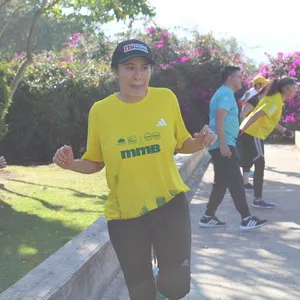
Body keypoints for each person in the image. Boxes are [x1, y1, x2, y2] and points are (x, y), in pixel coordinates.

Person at [53, 39, 217, 300]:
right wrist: (71, 164)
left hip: (169, 205)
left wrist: (201, 141)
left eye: (144, 67)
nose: (138, 75)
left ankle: (162, 277)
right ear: (115, 71)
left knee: (176, 286)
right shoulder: (101, 111)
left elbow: (182, 142)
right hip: (126, 215)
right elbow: (96, 161)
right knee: (141, 294)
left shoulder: (165, 98)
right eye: (130, 67)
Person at [199, 66, 268, 231]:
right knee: (236, 182)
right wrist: (224, 144)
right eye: (238, 77)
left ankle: (208, 217)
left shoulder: (223, 93)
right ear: (230, 78)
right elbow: (219, 118)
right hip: (224, 144)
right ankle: (246, 218)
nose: (241, 80)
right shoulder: (225, 94)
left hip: (223, 143)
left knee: (221, 183)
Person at [239, 77, 297, 209]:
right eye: (293, 87)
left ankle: (252, 196)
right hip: (254, 133)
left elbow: (268, 119)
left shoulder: (276, 99)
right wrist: (242, 129)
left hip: (253, 133)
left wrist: (284, 131)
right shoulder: (275, 100)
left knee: (250, 162)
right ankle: (257, 199)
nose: (295, 90)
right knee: (259, 162)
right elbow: (256, 114)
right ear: (285, 88)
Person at [239, 85, 268, 192]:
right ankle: (253, 188)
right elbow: (243, 113)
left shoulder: (262, 101)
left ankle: (245, 183)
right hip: (249, 131)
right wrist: (243, 128)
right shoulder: (255, 99)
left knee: (248, 157)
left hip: (252, 131)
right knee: (255, 158)